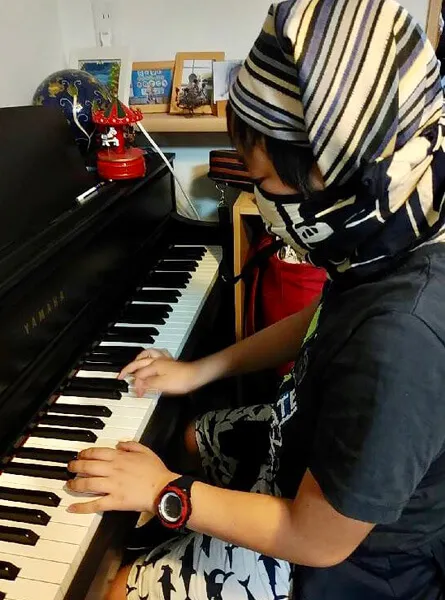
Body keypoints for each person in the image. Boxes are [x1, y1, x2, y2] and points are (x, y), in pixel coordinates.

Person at [67, 0, 445, 598]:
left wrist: (165, 492)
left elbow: (317, 539)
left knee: (114, 589)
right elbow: (320, 320)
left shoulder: (403, 338)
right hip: (307, 445)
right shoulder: (392, 236)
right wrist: (199, 370)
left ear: (338, 175)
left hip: (349, 563)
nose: (262, 199)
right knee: (189, 437)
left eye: (265, 181)